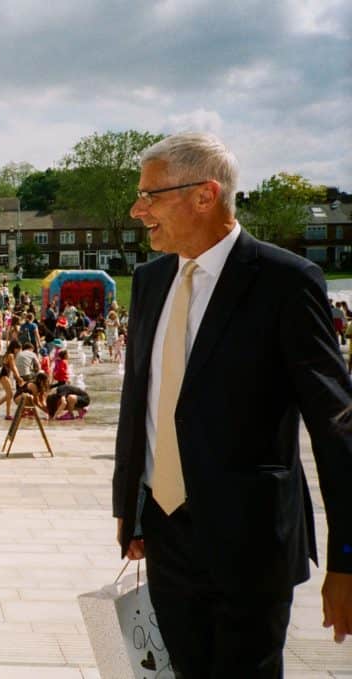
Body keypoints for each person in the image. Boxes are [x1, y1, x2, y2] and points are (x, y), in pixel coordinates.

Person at [113, 132, 352, 677]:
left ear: (205, 195)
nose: (137, 209)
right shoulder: (150, 281)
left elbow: (338, 427)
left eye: (151, 195)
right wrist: (132, 509)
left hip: (251, 547)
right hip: (166, 536)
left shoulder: (286, 283)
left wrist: (347, 560)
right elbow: (140, 401)